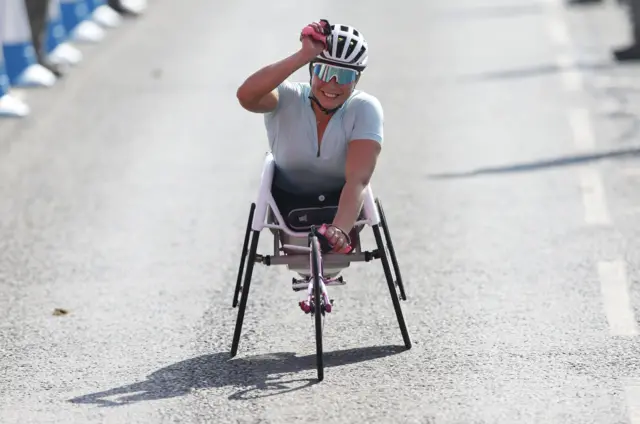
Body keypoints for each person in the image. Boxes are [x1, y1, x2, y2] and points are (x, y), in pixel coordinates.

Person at [236, 20, 383, 254]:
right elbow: (246, 96)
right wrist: (302, 55)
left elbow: (358, 180)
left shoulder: (365, 108)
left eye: (344, 76)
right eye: (324, 71)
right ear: (311, 70)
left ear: (356, 81)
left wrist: (340, 229)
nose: (333, 84)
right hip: (286, 204)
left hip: (340, 205)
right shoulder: (287, 96)